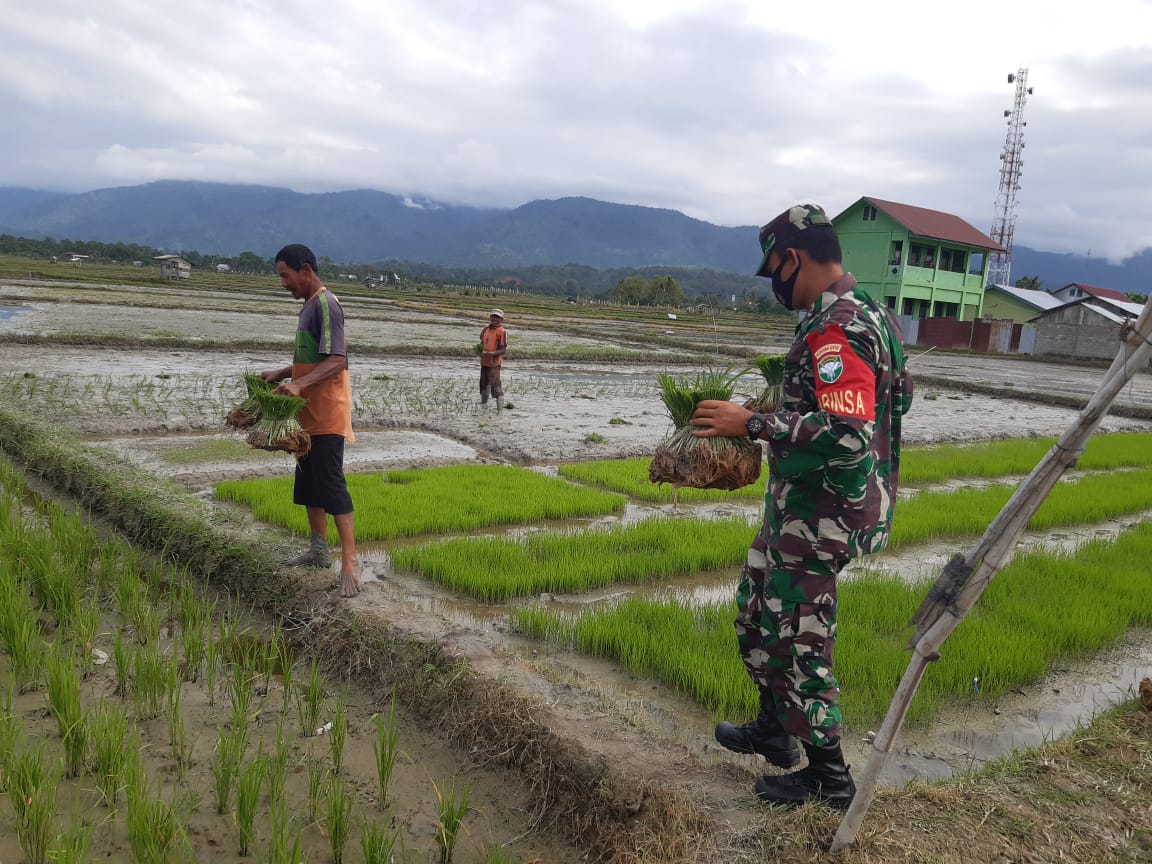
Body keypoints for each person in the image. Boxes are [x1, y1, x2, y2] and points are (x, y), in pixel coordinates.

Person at [690, 204, 912, 809]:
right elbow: (884, 406)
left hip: (824, 516)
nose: (774, 288)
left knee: (800, 638)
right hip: (798, 510)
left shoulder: (838, 326)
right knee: (754, 610)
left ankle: (830, 777)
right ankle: (775, 730)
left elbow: (849, 433)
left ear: (792, 258)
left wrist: (756, 421)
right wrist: (781, 412)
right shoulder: (865, 314)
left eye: (773, 273)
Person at [261, 243, 362, 598]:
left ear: (305, 269)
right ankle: (318, 551)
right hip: (306, 414)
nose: (283, 283)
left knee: (331, 483)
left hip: (328, 412)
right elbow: (313, 358)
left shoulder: (325, 304)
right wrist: (282, 372)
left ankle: (350, 561)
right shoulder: (307, 307)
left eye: (285, 276)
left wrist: (300, 383)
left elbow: (338, 359)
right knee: (307, 485)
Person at [479, 308, 508, 408]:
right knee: (483, 383)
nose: (495, 319)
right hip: (484, 362)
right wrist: (480, 352)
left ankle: (499, 410)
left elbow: (503, 350)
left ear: (501, 319)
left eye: (498, 317)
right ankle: (483, 405)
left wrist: (491, 353)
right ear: (490, 317)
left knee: (495, 386)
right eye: (493, 316)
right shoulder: (485, 329)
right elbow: (481, 344)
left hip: (494, 363)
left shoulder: (502, 331)